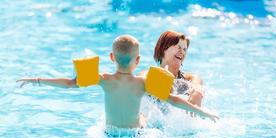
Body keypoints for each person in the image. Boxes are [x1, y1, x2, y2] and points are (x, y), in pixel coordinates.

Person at [17, 35, 218, 130]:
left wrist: (37, 80)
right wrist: (203, 113)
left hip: (108, 132)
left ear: (111, 57)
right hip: (136, 133)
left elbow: (69, 83)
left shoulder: (103, 79)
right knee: (146, 117)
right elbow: (173, 100)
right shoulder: (143, 82)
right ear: (137, 60)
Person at [139, 30, 204, 116]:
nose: (182, 52)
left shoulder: (189, 79)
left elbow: (197, 85)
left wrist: (197, 93)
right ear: (163, 49)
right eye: (179, 47)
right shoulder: (147, 75)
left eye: (185, 49)